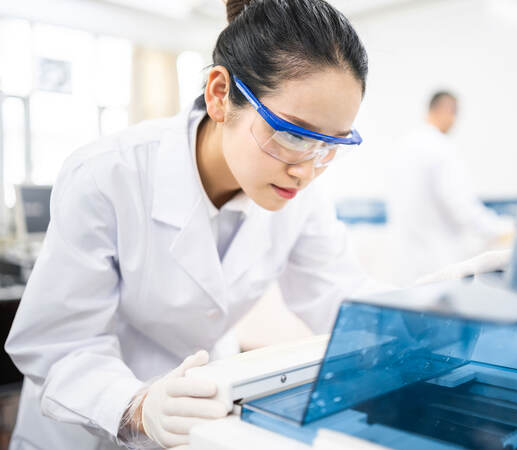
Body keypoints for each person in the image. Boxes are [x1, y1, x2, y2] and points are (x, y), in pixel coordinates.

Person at [4, 1, 378, 448]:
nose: (307, 170)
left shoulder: (300, 196)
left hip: (200, 414)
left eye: (330, 144)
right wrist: (135, 405)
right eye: (294, 135)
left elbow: (342, 297)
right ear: (220, 94)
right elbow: (57, 343)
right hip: (85, 425)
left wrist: (432, 310)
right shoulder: (109, 174)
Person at [389, 91, 515, 285]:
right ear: (446, 110)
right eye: (455, 113)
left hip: (406, 264)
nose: (455, 121)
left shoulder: (403, 146)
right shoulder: (440, 149)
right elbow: (461, 208)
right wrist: (501, 228)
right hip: (438, 262)